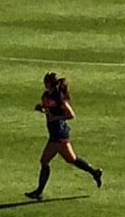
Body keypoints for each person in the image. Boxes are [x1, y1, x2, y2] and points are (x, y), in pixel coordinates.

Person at [25, 71, 103, 200]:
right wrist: (42, 109)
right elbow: (48, 110)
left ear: (49, 83)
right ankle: (94, 172)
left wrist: (57, 117)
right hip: (56, 132)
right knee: (71, 159)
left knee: (45, 161)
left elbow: (71, 114)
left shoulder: (59, 97)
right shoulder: (46, 95)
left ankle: (39, 192)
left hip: (59, 133)